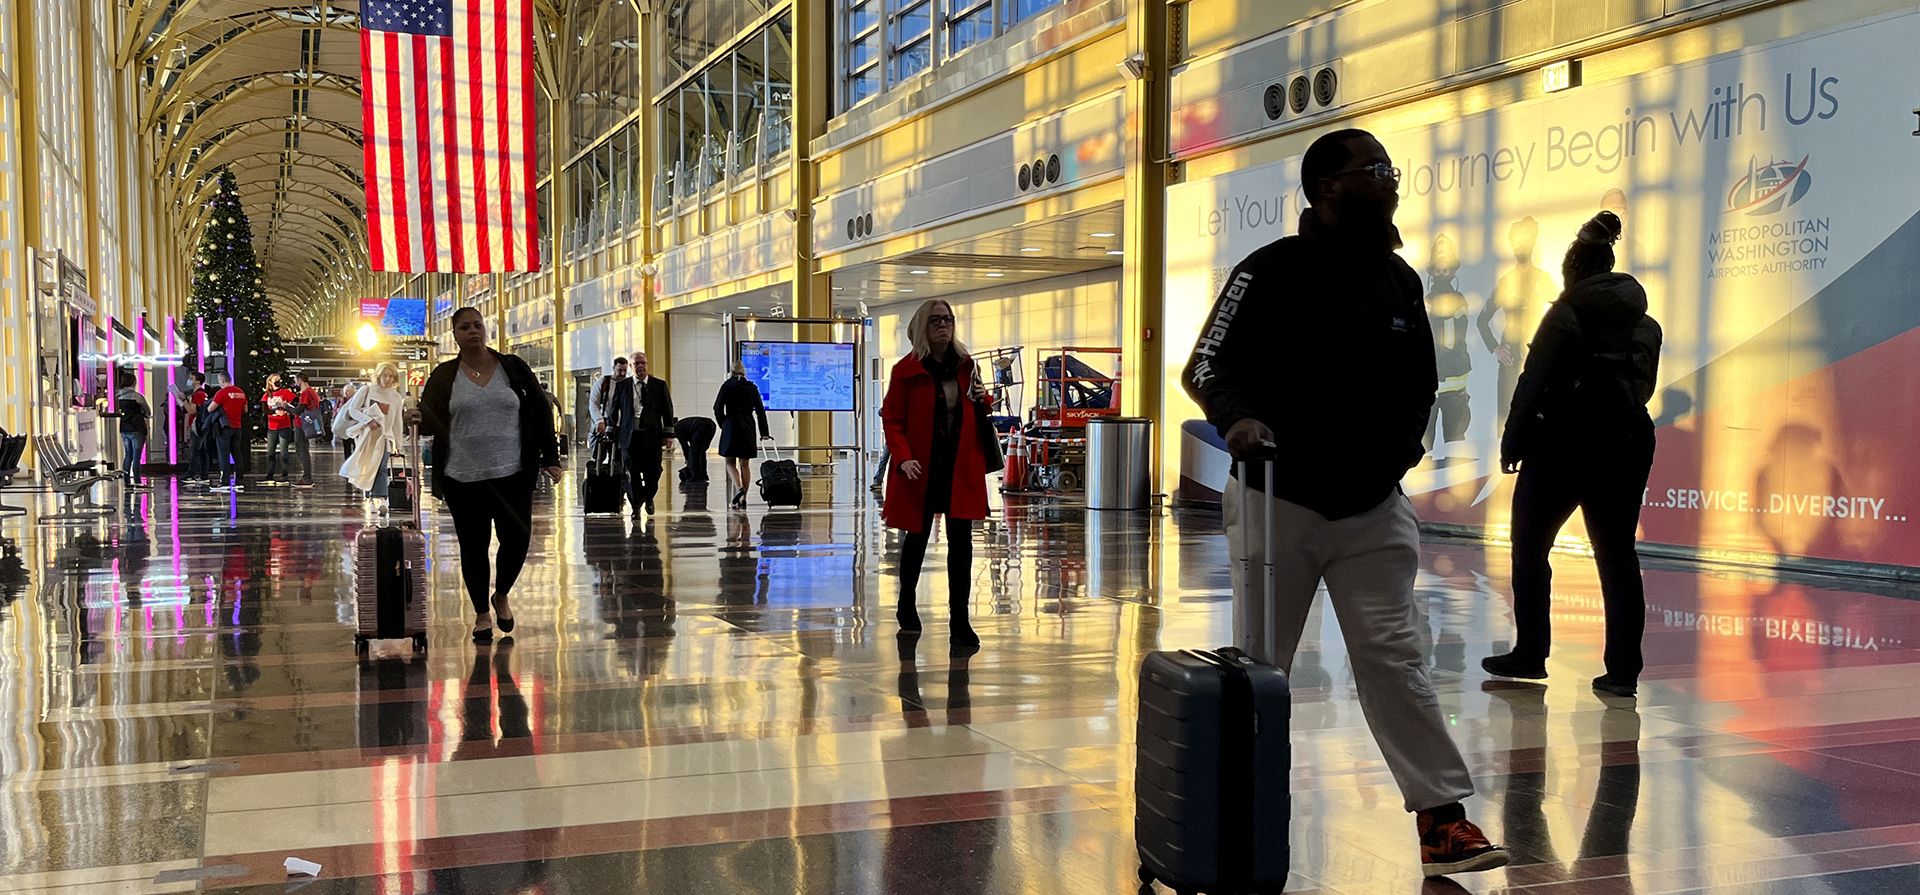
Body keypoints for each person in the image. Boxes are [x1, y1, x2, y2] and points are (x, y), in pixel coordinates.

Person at [1181, 128, 1506, 878]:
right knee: (1263, 667)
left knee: (1396, 657)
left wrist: (1400, 456)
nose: (1391, 180)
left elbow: (1422, 382)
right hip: (1278, 500)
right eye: (1375, 169)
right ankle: (1241, 812)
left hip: (1370, 507)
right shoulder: (1268, 271)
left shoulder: (1399, 280)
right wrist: (1236, 417)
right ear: (1328, 187)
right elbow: (1207, 360)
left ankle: (1442, 820)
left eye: (1390, 168)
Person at [1483, 211, 1661, 698]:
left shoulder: (1563, 315)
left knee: (1531, 548)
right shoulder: (1647, 325)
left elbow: (1532, 381)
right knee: (1618, 555)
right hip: (1627, 442)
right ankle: (1623, 670)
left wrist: (1512, 440)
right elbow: (1642, 389)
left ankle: (1531, 653)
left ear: (1573, 270)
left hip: (1561, 446)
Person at [419, 307, 561, 644]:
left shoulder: (512, 367)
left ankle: (502, 594)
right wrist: (413, 415)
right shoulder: (444, 375)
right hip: (463, 478)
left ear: (486, 330)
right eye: (465, 327)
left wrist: (550, 457)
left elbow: (540, 410)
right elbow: (428, 420)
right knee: (474, 546)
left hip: (513, 473)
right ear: (454, 335)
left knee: (517, 539)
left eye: (477, 325)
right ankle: (482, 613)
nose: (473, 331)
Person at [880, 299, 992, 652]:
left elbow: (977, 407)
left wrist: (982, 397)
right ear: (923, 328)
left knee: (962, 544)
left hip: (960, 466)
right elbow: (892, 418)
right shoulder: (906, 370)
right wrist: (903, 457)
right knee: (916, 540)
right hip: (921, 469)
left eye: (948, 320)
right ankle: (906, 604)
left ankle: (960, 619)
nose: (943, 326)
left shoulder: (966, 365)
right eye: (935, 321)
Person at [603, 350, 675, 516]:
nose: (640, 366)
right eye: (637, 363)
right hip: (629, 437)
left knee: (654, 471)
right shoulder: (622, 386)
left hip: (652, 436)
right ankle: (635, 506)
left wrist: (669, 435)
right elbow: (614, 410)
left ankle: (648, 498)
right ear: (630, 366)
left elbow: (667, 411)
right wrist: (610, 430)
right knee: (632, 473)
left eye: (643, 363)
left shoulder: (659, 385)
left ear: (647, 365)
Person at [338, 364, 407, 507]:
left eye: (390, 376)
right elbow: (352, 410)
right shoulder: (367, 390)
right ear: (378, 375)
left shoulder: (396, 397)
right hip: (367, 436)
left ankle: (380, 498)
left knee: (381, 466)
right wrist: (368, 420)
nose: (387, 379)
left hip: (385, 437)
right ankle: (370, 493)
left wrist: (398, 445)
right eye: (384, 375)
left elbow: (397, 422)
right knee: (367, 465)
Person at [714, 361, 771, 509]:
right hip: (747, 426)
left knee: (729, 462)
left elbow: (717, 407)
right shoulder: (751, 387)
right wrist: (764, 432)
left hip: (731, 425)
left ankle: (738, 487)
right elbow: (760, 411)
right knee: (744, 464)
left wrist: (723, 424)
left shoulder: (727, 386)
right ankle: (744, 497)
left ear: (731, 372)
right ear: (744, 372)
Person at [207, 372, 248, 492]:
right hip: (237, 427)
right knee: (237, 454)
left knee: (223, 454)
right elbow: (245, 410)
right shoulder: (241, 392)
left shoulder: (222, 393)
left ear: (221, 380)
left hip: (225, 427)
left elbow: (210, 409)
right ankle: (239, 481)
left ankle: (225, 481)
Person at [114, 371, 152, 491]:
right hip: (137, 428)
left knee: (128, 455)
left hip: (124, 428)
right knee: (137, 456)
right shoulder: (137, 396)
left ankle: (126, 481)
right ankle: (137, 480)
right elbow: (148, 412)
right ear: (134, 382)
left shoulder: (117, 396)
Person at [260, 373, 298, 485]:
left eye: (279, 379)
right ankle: (270, 474)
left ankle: (284, 474)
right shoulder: (266, 395)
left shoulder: (285, 392)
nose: (278, 381)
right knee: (270, 451)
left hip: (284, 425)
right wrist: (275, 411)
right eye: (275, 379)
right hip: (272, 426)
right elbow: (265, 410)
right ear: (270, 381)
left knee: (284, 451)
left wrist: (288, 409)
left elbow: (296, 401)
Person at [290, 372, 321, 487]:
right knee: (303, 449)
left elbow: (298, 411)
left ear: (300, 380)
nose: (295, 383)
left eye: (295, 380)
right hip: (306, 423)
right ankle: (307, 477)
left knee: (302, 450)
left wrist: (285, 406)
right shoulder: (312, 392)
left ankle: (307, 478)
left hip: (302, 424)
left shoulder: (306, 393)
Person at [182, 371, 211, 482]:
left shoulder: (198, 395)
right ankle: (203, 473)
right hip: (200, 424)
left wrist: (184, 400)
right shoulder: (201, 394)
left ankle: (193, 473)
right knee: (202, 450)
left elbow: (192, 410)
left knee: (195, 450)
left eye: (191, 378)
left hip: (196, 424)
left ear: (198, 381)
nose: (189, 380)